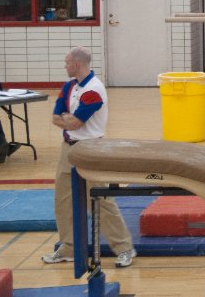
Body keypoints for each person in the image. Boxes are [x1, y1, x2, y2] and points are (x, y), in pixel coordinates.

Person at [42, 47, 136, 267]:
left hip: (91, 149)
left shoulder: (94, 89)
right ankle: (69, 248)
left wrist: (67, 119)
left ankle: (124, 248)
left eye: (67, 62)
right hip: (68, 149)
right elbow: (55, 117)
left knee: (101, 201)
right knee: (63, 201)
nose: (65, 66)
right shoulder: (68, 87)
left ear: (77, 63)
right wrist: (67, 119)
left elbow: (76, 123)